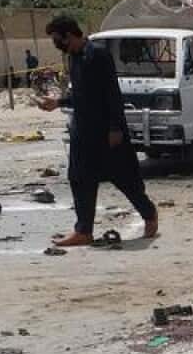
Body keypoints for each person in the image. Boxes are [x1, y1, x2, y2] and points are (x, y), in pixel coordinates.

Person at [36, 15, 158, 247]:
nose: (56, 44)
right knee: (79, 178)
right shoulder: (73, 58)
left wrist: (115, 128)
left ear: (68, 35)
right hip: (83, 131)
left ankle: (149, 213)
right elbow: (80, 95)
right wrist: (57, 102)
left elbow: (112, 93)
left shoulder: (98, 55)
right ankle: (83, 231)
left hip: (106, 131)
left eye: (57, 39)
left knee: (124, 178)